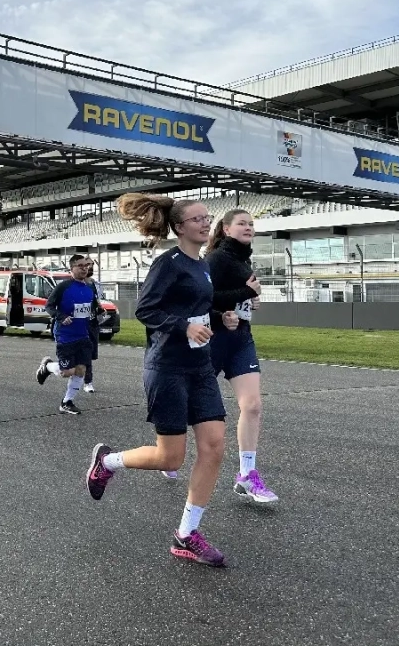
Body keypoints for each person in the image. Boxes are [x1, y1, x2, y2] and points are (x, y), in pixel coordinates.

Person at [85, 193, 238, 567]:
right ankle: (107, 462)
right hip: (167, 367)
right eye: (199, 218)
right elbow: (146, 309)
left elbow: (196, 309)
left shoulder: (201, 266)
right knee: (170, 456)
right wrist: (183, 325)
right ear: (181, 226)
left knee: (214, 446)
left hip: (199, 367)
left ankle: (186, 534)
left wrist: (220, 318)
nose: (206, 223)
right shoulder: (167, 263)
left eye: (208, 218)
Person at [203, 209, 278, 504]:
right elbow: (202, 299)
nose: (248, 228)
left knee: (253, 405)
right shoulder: (216, 259)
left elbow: (239, 294)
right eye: (242, 223)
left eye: (251, 224)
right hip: (212, 340)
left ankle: (246, 475)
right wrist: (230, 305)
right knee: (191, 407)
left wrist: (249, 299)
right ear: (226, 228)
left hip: (241, 339)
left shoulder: (242, 258)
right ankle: (165, 448)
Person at [36, 255, 95, 414]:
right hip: (65, 335)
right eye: (80, 266)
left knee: (81, 369)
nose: (84, 268)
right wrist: (61, 317)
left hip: (83, 336)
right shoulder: (64, 287)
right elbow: (49, 306)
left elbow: (91, 308)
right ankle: (47, 366)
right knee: (66, 372)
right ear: (72, 269)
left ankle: (67, 402)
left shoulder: (89, 288)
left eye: (86, 265)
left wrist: (99, 313)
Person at [83, 260, 105, 394]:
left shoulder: (94, 284)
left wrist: (100, 308)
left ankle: (87, 381)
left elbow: (96, 301)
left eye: (92, 265)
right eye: (87, 265)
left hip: (92, 324)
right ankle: (50, 367)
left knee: (89, 354)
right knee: (75, 360)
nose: (90, 267)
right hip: (79, 324)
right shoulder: (73, 285)